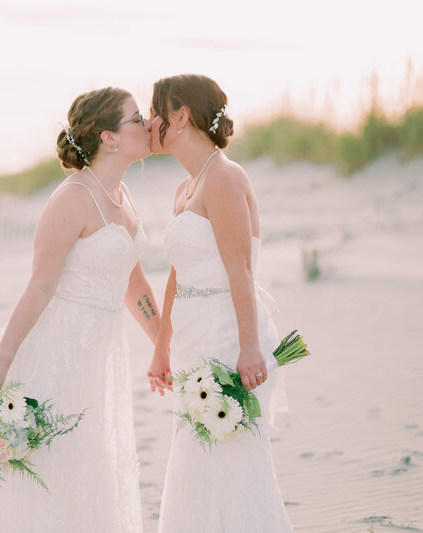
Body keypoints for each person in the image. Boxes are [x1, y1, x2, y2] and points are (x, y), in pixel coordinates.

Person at [0, 87, 157, 533]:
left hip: (100, 354)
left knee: (92, 467)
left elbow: (133, 284)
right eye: (137, 118)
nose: (148, 123)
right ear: (110, 138)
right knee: (58, 468)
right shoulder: (73, 197)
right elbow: (38, 286)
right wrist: (2, 358)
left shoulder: (123, 195)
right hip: (58, 352)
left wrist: (166, 344)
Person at [146, 74, 293, 532]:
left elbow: (241, 270)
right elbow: (177, 272)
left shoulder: (226, 177)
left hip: (230, 338)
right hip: (194, 339)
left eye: (156, 112)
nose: (150, 122)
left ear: (181, 115)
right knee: (196, 465)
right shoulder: (185, 187)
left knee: (231, 462)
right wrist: (161, 344)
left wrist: (249, 347)